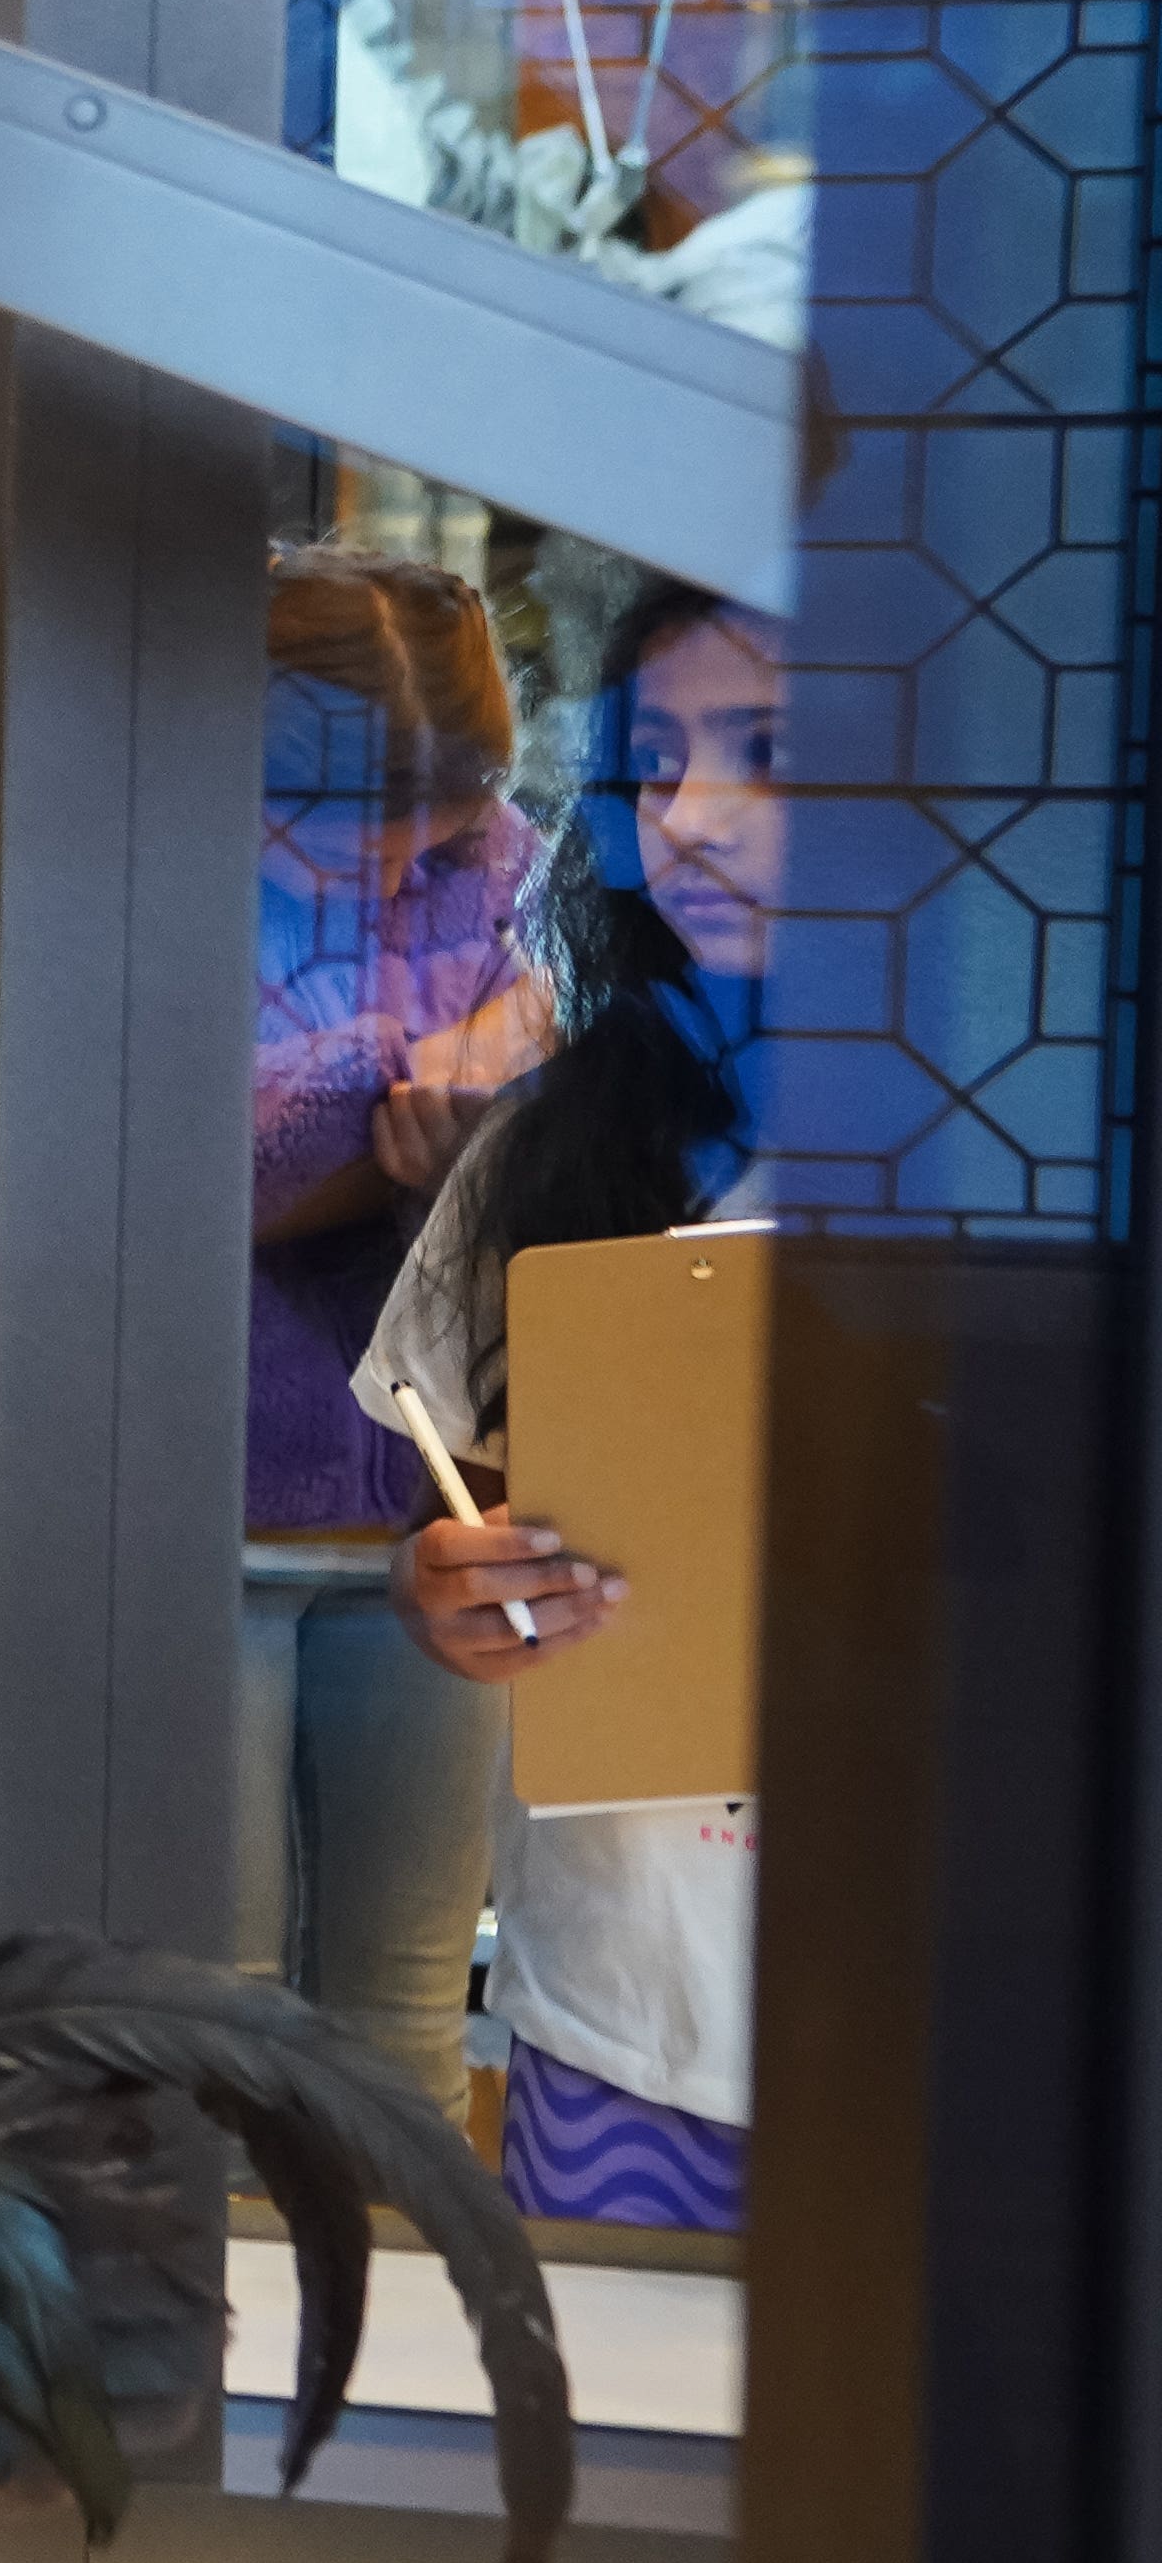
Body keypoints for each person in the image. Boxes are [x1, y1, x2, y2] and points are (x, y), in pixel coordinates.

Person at [364, 582, 778, 2230]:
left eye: (774, 749)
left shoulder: (1048, 1164)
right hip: (620, 2011)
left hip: (967, 2022)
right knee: (617, 2463)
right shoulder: (560, 1149)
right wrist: (451, 1594)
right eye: (655, 758)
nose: (692, 814)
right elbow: (443, 1514)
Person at [241, 550, 554, 2115]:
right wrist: (402, 1087)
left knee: (404, 2021)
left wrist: (496, 1095)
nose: (382, 876)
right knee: (202, 2019)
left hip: (437, 1507)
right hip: (193, 1512)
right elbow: (164, 1169)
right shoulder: (144, 828)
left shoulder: (512, 866)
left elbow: (582, 1076)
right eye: (332, 826)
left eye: (423, 835)